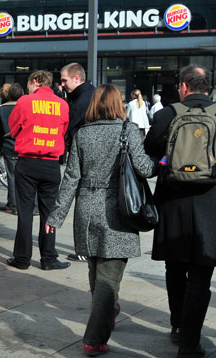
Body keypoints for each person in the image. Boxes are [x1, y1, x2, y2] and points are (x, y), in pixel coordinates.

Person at [46, 84, 156, 356]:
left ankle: (109, 311)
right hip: (118, 210)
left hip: (87, 208)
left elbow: (71, 178)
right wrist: (162, 160)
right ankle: (94, 339)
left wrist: (56, 216)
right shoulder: (127, 130)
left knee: (96, 272)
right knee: (108, 279)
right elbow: (144, 167)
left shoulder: (82, 134)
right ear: (118, 104)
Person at [144, 65, 216, 358]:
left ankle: (177, 324)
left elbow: (149, 150)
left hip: (172, 201)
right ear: (208, 88)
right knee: (201, 274)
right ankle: (190, 342)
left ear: (183, 87)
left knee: (174, 268)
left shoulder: (165, 114)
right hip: (210, 203)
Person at [6, 70, 70, 271]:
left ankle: (22, 258)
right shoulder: (62, 104)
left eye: (29, 84)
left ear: (35, 82)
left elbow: (13, 128)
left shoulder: (25, 102)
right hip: (51, 164)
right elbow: (63, 130)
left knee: (25, 211)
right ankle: (49, 258)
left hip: (27, 161)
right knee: (49, 213)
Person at [60, 62, 95, 262]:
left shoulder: (81, 100)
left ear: (76, 78)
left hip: (83, 156)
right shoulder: (91, 93)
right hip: (94, 156)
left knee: (82, 204)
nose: (62, 84)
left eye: (65, 80)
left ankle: (83, 249)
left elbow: (69, 128)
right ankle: (88, 248)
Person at [0, 83, 23, 214]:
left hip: (8, 147)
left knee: (11, 178)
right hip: (23, 147)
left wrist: (1, 144)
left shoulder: (0, 110)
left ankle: (14, 205)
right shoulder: (24, 108)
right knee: (24, 178)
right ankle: (22, 205)